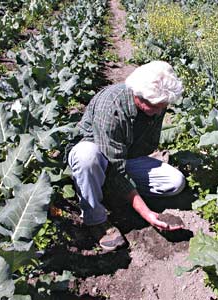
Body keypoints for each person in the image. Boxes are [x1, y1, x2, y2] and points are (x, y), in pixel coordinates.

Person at [68, 61, 186, 251]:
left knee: (175, 182)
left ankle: (108, 190)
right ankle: (96, 219)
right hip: (99, 157)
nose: (158, 111)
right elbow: (115, 167)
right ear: (137, 94)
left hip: (126, 157)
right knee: (87, 157)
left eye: (162, 106)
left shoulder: (156, 99)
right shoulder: (112, 106)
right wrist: (146, 213)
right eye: (154, 106)